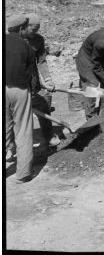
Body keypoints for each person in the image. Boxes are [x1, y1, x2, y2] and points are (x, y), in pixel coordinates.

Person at [5, 14, 37, 183]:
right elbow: (33, 75)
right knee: (23, 130)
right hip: (19, 90)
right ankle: (23, 174)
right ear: (20, 29)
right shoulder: (26, 47)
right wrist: (34, 90)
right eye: (26, 27)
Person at [23, 14, 60, 147]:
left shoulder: (38, 40)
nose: (35, 32)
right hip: (17, 83)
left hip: (33, 82)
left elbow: (41, 61)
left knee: (44, 104)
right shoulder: (13, 40)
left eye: (37, 29)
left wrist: (47, 79)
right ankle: (12, 146)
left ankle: (49, 135)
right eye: (33, 29)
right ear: (25, 26)